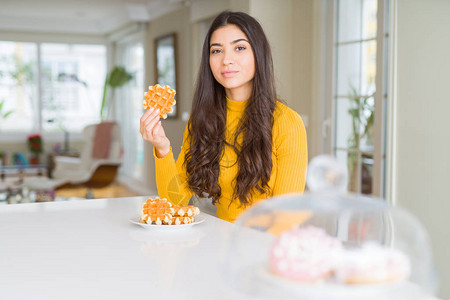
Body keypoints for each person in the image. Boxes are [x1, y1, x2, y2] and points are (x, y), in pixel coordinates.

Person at [140, 11, 307, 222]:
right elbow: (175, 201)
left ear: (258, 53)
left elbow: (287, 218)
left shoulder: (287, 123)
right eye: (217, 50)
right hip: (221, 245)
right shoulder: (202, 120)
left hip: (265, 248)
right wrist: (162, 148)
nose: (227, 60)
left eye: (239, 48)